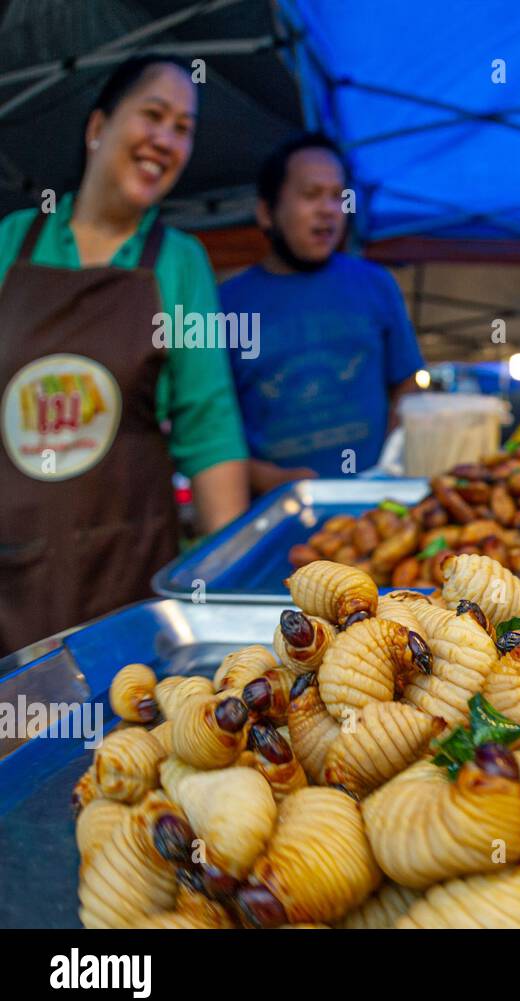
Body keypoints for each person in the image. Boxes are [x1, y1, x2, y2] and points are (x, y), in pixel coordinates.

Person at [0, 55, 249, 655]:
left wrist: (234, 606)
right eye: (154, 116)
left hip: (127, 584)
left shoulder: (179, 261)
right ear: (97, 128)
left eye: (183, 129)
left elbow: (209, 432)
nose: (166, 140)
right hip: (9, 580)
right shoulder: (10, 242)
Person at [219, 133, 425, 494]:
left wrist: (389, 463)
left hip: (375, 506)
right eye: (311, 195)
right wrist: (266, 480)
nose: (328, 210)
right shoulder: (225, 306)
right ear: (267, 212)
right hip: (278, 517)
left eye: (337, 196)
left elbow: (407, 386)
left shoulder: (376, 285)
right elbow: (207, 432)